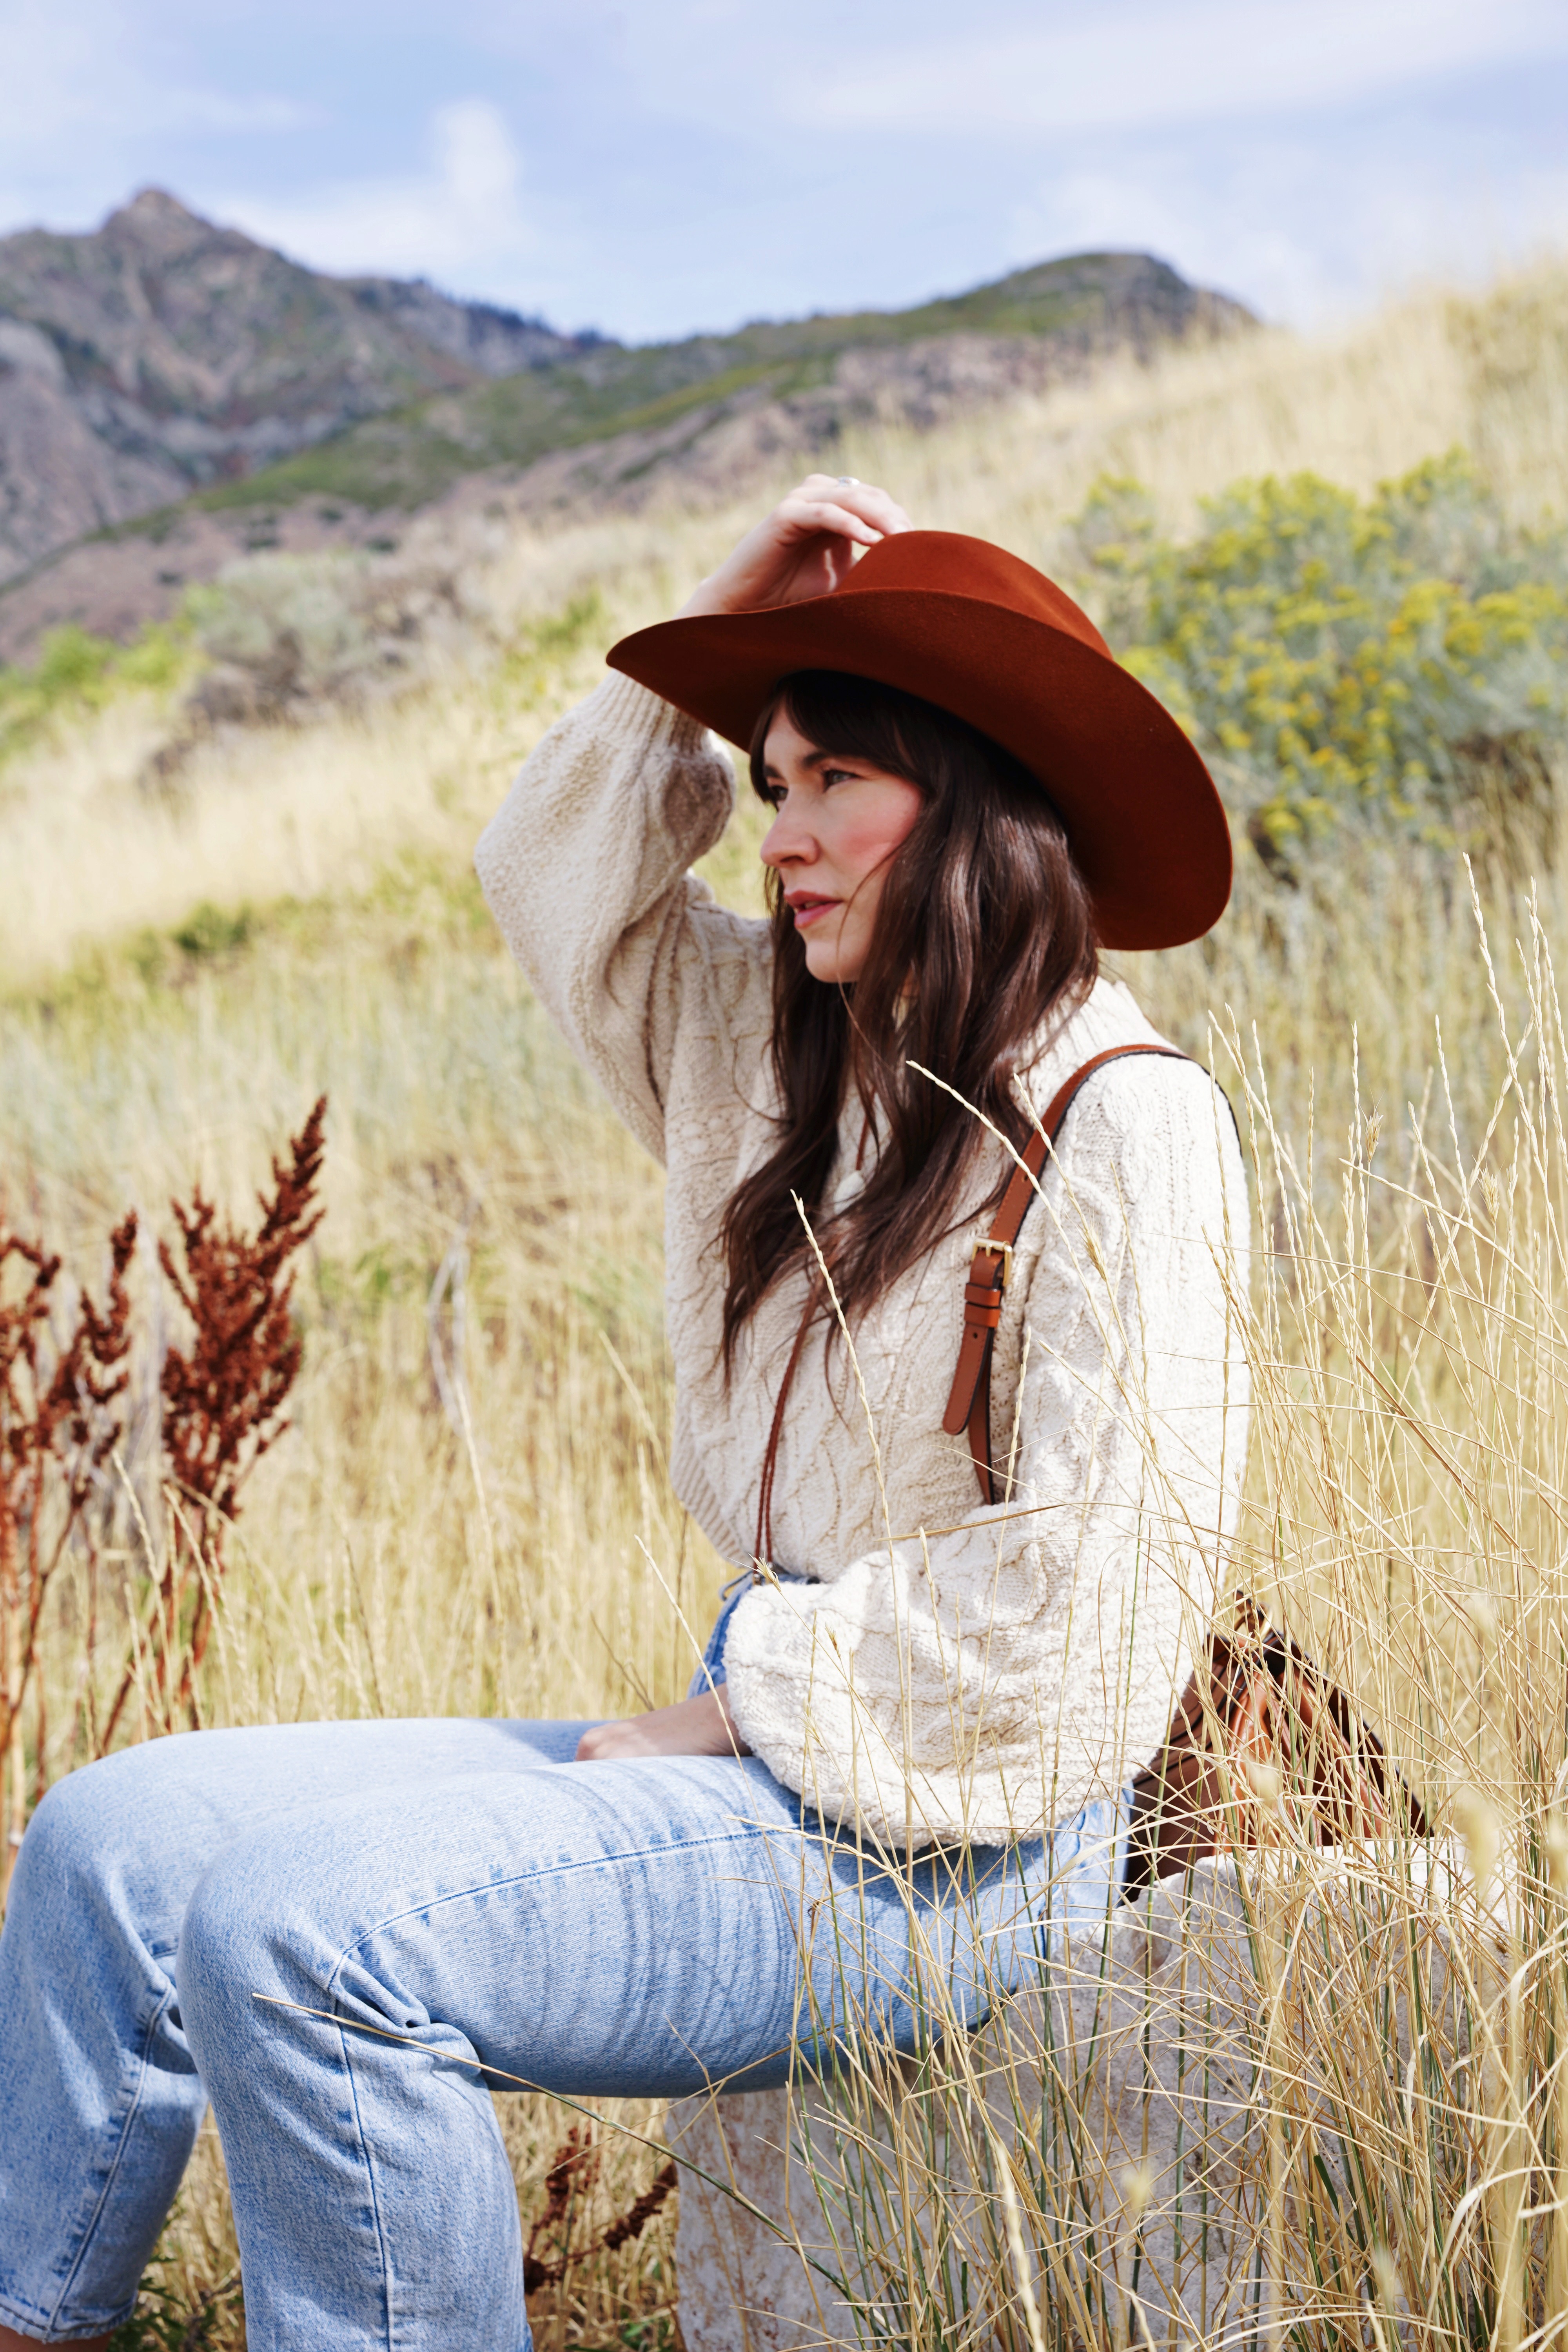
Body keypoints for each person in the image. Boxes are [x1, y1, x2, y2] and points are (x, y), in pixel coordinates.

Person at [0, 477, 1249, 2352]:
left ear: (983, 804)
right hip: (773, 1772)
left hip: (960, 1845)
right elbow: (546, 875)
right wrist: (696, 640)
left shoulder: (1128, 1122)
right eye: (770, 782)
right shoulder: (770, 1050)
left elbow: (1094, 1615)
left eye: (839, 780)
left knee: (305, 1928)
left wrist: (737, 1697)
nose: (785, 837)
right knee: (109, 1839)